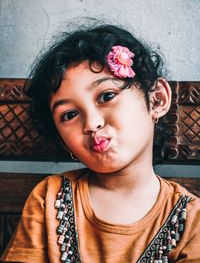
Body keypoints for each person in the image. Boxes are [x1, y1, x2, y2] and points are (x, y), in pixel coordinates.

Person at [1, 24, 200, 263]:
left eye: (106, 96)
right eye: (69, 115)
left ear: (157, 99)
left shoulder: (191, 220)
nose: (91, 124)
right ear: (65, 143)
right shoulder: (49, 199)